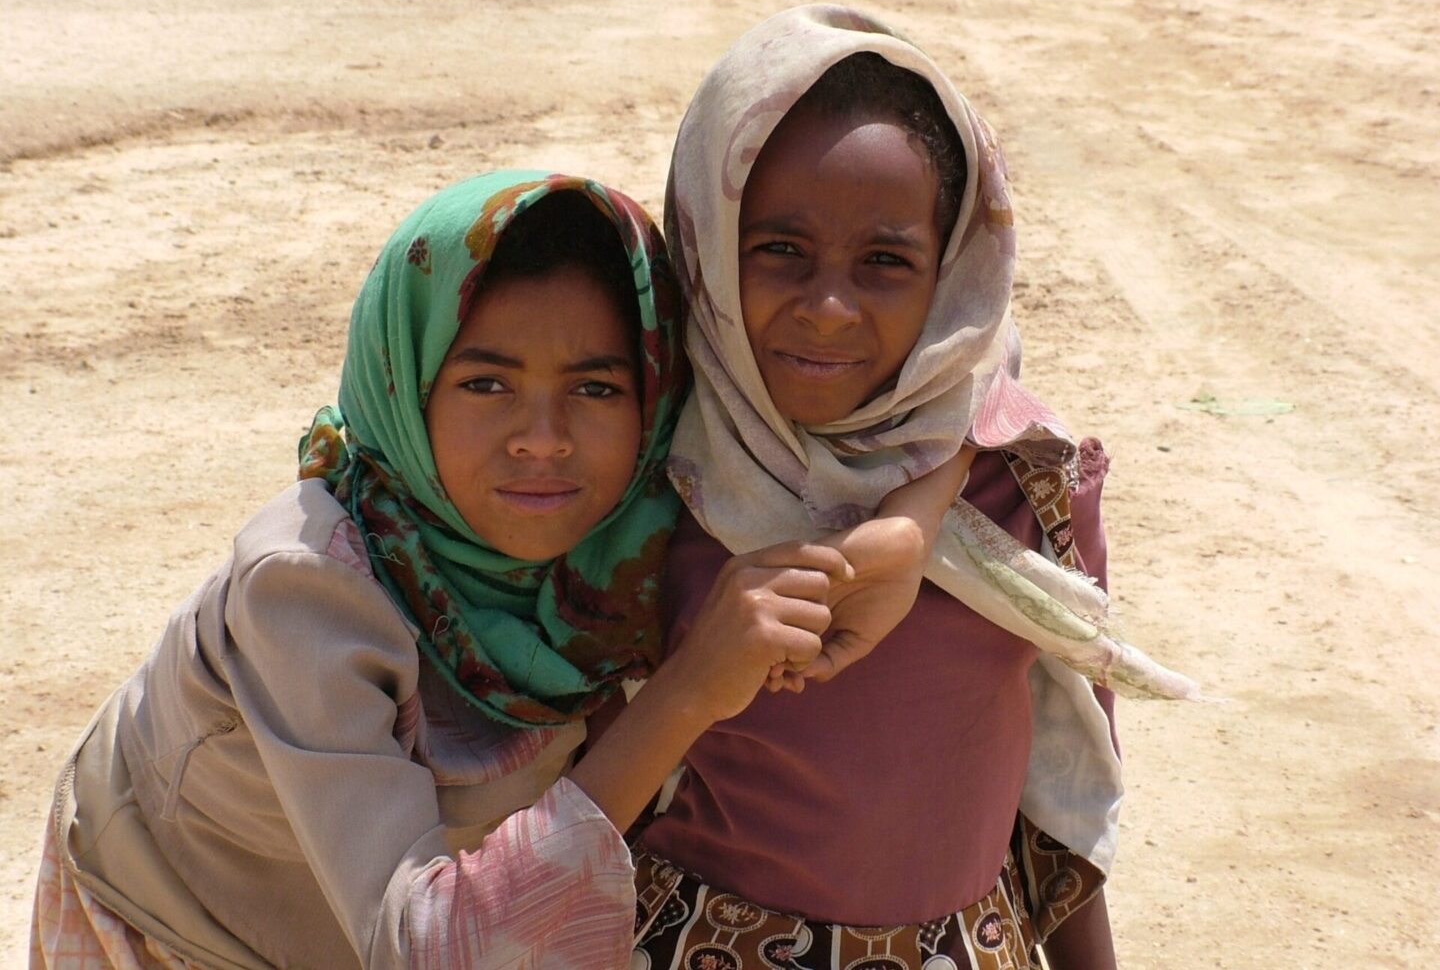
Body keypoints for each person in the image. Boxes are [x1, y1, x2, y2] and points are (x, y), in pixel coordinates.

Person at [29, 171, 851, 969]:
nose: (542, 438)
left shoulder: (635, 536)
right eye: (485, 382)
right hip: (184, 918)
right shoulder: (307, 588)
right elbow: (419, 949)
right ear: (404, 386)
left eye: (597, 388)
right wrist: (683, 696)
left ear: (655, 393)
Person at [633, 6, 1200, 970]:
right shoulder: (653, 482)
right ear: (706, 240)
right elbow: (571, 792)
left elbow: (1056, 795)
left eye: (886, 262)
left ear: (953, 280)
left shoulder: (1022, 489)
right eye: (779, 249)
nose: (828, 308)